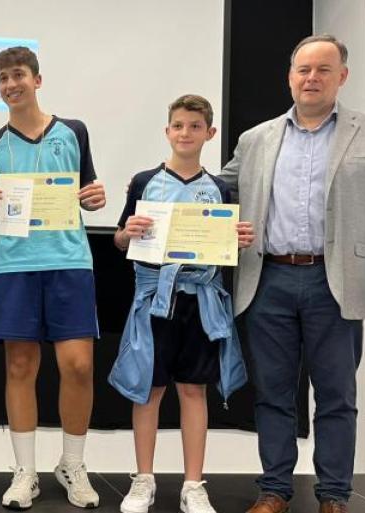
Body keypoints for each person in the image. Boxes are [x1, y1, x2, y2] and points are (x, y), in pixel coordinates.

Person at [217, 35, 365, 513]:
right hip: (268, 282)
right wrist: (156, 192)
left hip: (337, 282)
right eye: (304, 70)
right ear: (290, 76)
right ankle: (274, 491)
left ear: (341, 76)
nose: (312, 78)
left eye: (323, 70)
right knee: (272, 394)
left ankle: (333, 495)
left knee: (336, 397)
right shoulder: (256, 138)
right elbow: (213, 194)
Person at [0, 46, 107, 510]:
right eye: (4, 78)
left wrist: (93, 197)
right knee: (20, 367)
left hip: (70, 263)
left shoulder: (74, 132)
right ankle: (24, 471)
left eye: (19, 75)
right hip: (15, 267)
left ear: (37, 79)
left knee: (78, 366)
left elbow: (86, 193)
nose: (12, 85)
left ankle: (72, 463)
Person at [111, 95, 254, 513]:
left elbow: (221, 246)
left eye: (195, 126)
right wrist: (127, 233)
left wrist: (236, 239)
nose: (185, 133)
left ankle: (193, 484)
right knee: (148, 391)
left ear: (210, 133)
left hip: (200, 301)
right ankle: (143, 479)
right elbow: (121, 239)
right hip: (155, 300)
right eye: (178, 125)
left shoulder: (220, 188)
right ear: (167, 131)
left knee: (194, 390)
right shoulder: (144, 182)